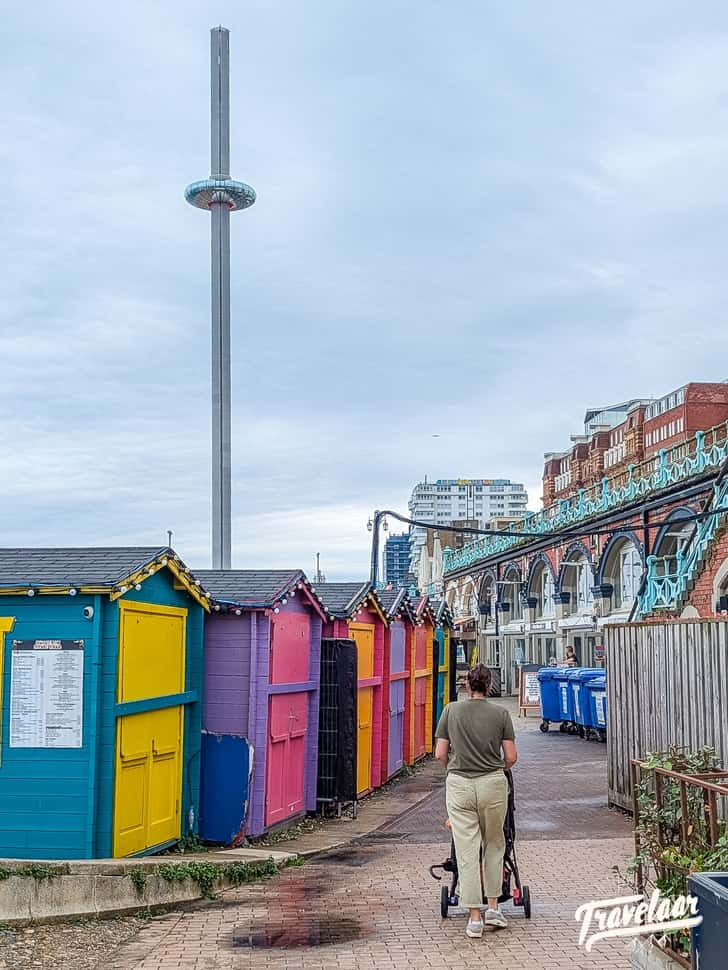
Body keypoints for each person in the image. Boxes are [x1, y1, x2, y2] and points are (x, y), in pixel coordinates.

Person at [434, 664, 518, 939]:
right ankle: (494, 908)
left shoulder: (451, 711)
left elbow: (439, 753)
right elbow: (511, 757)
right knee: (494, 844)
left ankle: (473, 919)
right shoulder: (501, 713)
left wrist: (453, 768)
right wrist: (496, 767)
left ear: (467, 685)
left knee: (467, 849)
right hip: (493, 784)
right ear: (489, 685)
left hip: (459, 784)